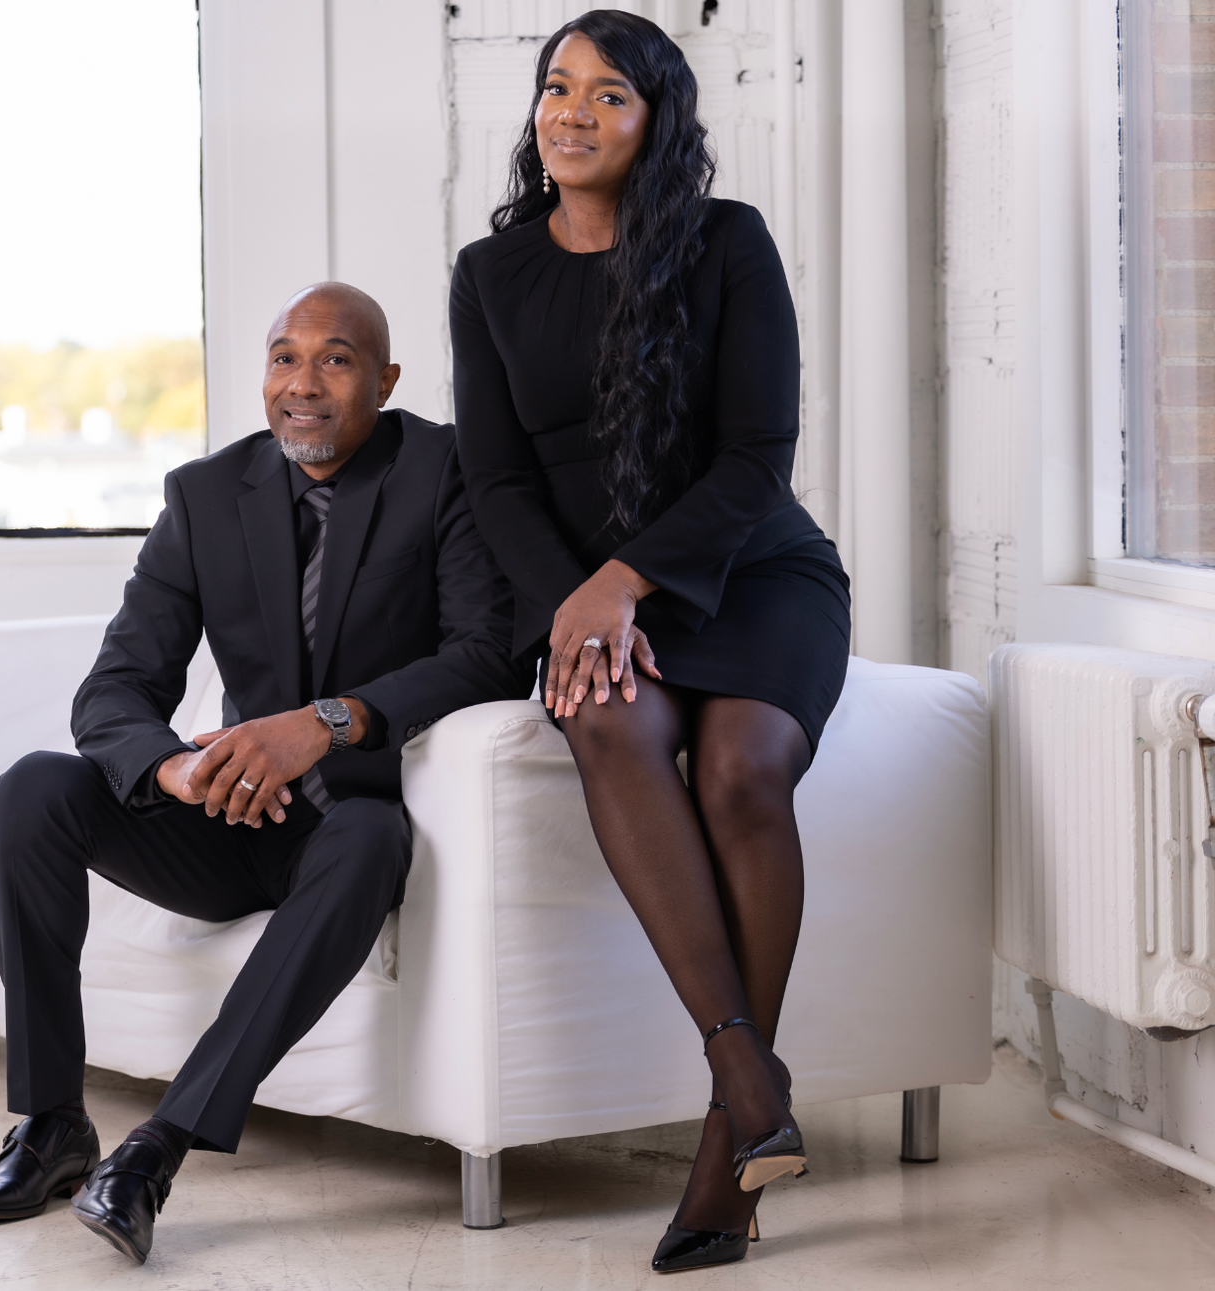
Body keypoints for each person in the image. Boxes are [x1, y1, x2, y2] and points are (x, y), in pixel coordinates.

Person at [0, 282, 530, 1264]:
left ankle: (157, 1149)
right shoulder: (205, 496)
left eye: (335, 359)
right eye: (283, 357)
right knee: (35, 790)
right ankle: (50, 1126)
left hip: (352, 821)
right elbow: (115, 688)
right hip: (231, 821)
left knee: (368, 836)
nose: (302, 384)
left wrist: (329, 722)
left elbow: (489, 654)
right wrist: (177, 770)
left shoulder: (445, 473)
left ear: (385, 380)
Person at [449, 10, 851, 1275]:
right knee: (610, 723)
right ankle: (750, 1076)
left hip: (754, 574)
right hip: (589, 596)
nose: (571, 113)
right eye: (555, 87)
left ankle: (726, 1150)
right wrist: (577, 601)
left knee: (740, 772)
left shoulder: (727, 242)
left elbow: (758, 455)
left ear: (656, 121)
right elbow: (497, 481)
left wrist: (625, 579)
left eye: (608, 94)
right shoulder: (490, 274)